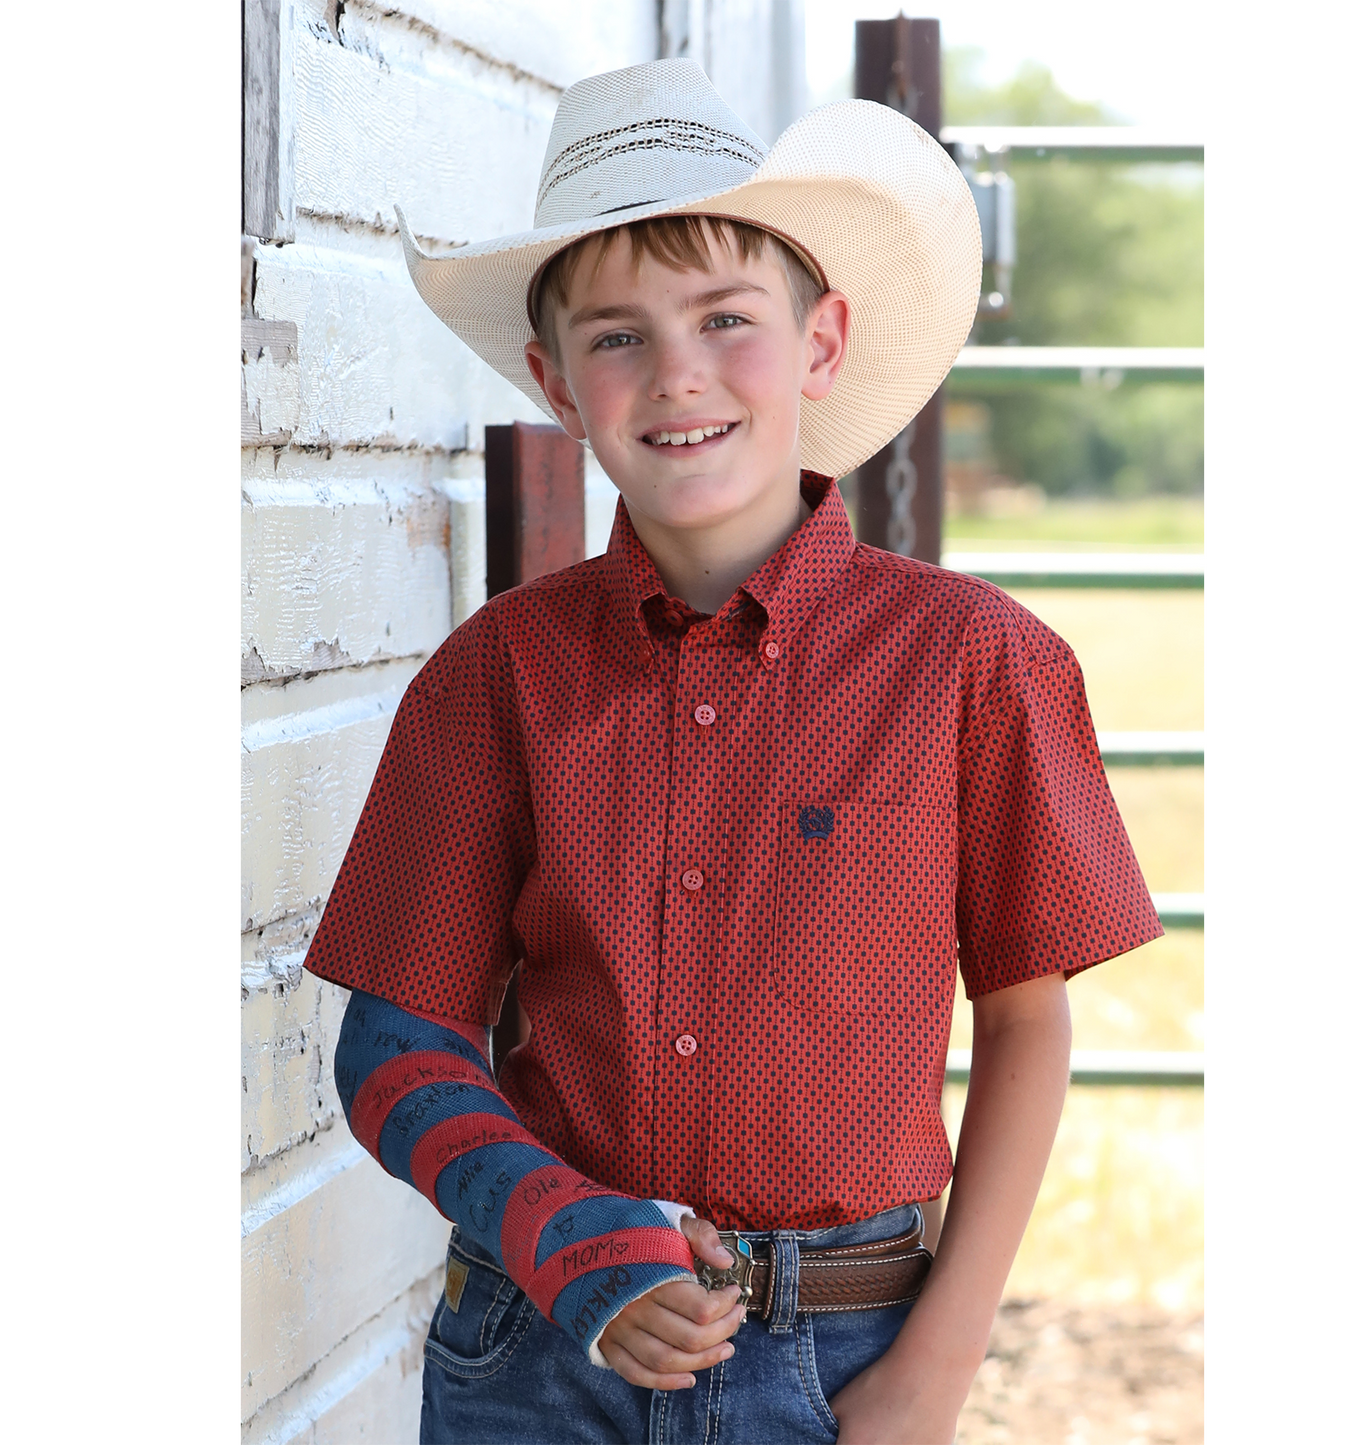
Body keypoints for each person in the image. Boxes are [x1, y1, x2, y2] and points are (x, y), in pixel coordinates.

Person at [303, 59, 1160, 1445]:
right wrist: (567, 1233)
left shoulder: (974, 664)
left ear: (821, 344)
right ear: (556, 381)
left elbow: (1026, 1021)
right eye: (619, 337)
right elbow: (393, 1051)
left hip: (847, 1351)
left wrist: (935, 1373)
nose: (679, 375)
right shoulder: (493, 679)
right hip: (537, 1355)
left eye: (725, 319)